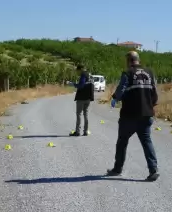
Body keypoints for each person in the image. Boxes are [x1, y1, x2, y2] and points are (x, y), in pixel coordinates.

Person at [106, 51, 160, 182]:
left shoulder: (128, 73)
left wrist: (114, 98)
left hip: (129, 115)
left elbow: (121, 89)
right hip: (146, 114)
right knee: (146, 142)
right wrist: (150, 105)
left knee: (122, 142)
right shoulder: (149, 72)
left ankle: (117, 169)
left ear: (129, 61)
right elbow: (155, 93)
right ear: (138, 60)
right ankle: (153, 170)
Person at [67, 64, 94, 136]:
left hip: (81, 98)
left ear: (81, 69)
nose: (77, 72)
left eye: (77, 71)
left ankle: (77, 131)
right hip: (88, 98)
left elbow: (81, 86)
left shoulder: (83, 75)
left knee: (79, 114)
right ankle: (85, 131)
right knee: (86, 114)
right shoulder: (89, 75)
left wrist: (72, 84)